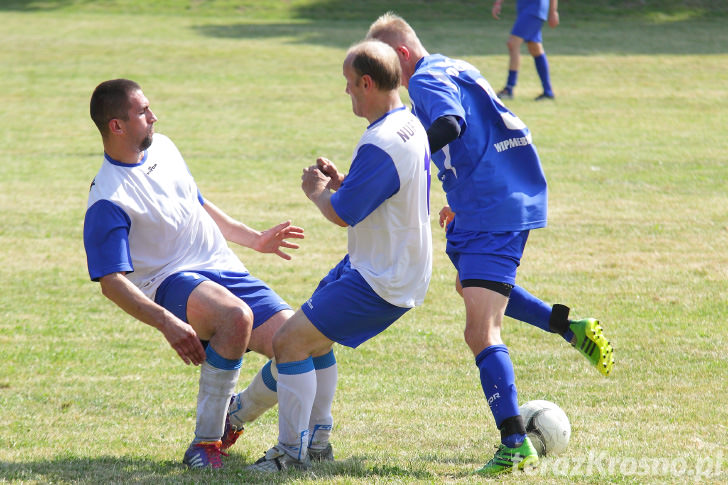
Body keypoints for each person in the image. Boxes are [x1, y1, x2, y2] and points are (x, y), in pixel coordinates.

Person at [366, 13, 613, 475]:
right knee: (471, 285)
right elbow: (489, 127)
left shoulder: (423, 80)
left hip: (493, 208)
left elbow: (451, 124)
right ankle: (567, 326)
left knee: (480, 331)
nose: (383, 80)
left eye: (383, 65)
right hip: (486, 200)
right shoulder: (453, 66)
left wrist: (405, 153)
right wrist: (462, 195)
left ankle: (515, 442)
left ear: (400, 55)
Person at [83, 79, 305, 470]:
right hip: (169, 281)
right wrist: (166, 323)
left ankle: (234, 417)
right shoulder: (108, 197)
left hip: (221, 266)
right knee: (235, 318)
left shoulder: (164, 147)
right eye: (142, 112)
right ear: (116, 126)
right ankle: (205, 444)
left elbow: (199, 203)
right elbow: (111, 282)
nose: (154, 117)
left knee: (297, 343)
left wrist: (254, 240)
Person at [245, 39, 432, 472]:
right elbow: (384, 190)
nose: (346, 91)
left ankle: (290, 455)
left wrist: (316, 193)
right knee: (315, 339)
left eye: (349, 84)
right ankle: (319, 443)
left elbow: (343, 214)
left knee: (289, 343)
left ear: (367, 83)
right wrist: (344, 180)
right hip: (386, 265)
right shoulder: (408, 124)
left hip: (381, 275)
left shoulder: (382, 141)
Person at [491, 0, 559, 100]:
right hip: (524, 7)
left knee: (512, 43)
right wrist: (498, 3)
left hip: (535, 8)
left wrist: (553, 11)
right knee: (535, 48)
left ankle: (509, 89)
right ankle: (548, 92)